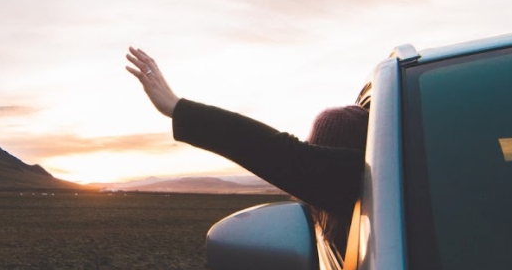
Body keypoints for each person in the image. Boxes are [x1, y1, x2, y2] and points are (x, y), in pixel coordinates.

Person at [125, 46, 368, 249]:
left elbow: (283, 155)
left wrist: (177, 108)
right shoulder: (368, 220)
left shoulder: (357, 182)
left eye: (316, 152)